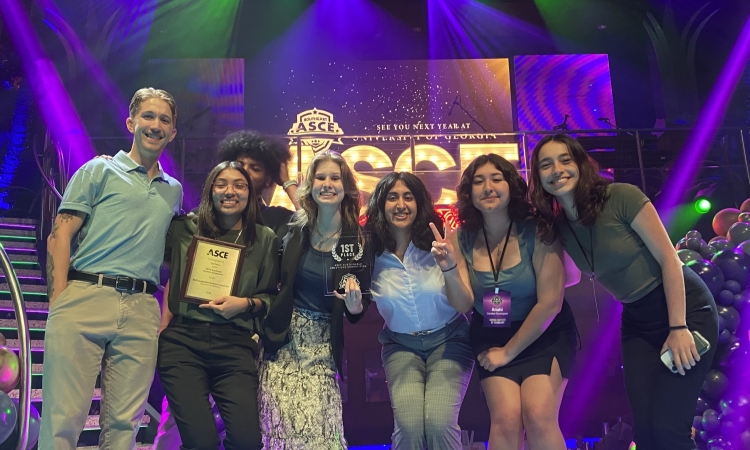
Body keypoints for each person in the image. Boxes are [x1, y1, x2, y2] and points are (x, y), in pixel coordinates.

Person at [528, 134, 719, 450]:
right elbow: (570, 277)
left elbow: (670, 261)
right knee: (644, 431)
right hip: (637, 322)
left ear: (580, 164)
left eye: (565, 160)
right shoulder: (559, 225)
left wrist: (678, 326)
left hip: (685, 310)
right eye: (546, 164)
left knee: (668, 428)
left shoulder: (621, 196)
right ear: (538, 176)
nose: (556, 170)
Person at [41, 87, 182, 450]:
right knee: (63, 420)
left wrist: (163, 312)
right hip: (85, 296)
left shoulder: (174, 191)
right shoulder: (98, 169)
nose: (155, 124)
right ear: (131, 122)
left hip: (140, 309)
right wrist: (59, 302)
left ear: (173, 132)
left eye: (164, 119)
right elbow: (60, 236)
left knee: (124, 426)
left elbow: (171, 257)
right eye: (148, 116)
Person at [153, 130, 298, 450]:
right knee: (188, 433)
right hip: (184, 339)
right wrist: (163, 328)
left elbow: (271, 291)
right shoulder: (185, 226)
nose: (235, 183)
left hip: (238, 342)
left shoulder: (269, 231)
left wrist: (245, 304)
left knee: (247, 438)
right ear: (211, 186)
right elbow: (172, 277)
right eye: (224, 181)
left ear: (266, 177)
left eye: (251, 171)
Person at [453, 154, 578, 450]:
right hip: (491, 334)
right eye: (479, 181)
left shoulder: (538, 229)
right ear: (469, 193)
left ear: (511, 185)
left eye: (496, 179)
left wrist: (508, 352)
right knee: (507, 419)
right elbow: (463, 304)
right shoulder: (461, 237)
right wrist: (447, 268)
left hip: (544, 332)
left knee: (538, 415)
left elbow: (550, 303)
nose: (488, 187)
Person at [259, 150, 369, 449]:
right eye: (320, 177)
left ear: (346, 186)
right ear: (311, 185)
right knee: (281, 432)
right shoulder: (295, 230)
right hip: (283, 341)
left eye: (335, 177)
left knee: (322, 432)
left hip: (323, 345)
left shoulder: (358, 240)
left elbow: (359, 308)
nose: (328, 183)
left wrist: (355, 306)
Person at [364, 172, 474, 449]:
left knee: (438, 424)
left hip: (450, 341)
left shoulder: (443, 242)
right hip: (401, 346)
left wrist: (448, 265)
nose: (401, 204)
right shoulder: (370, 251)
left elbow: (464, 305)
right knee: (410, 429)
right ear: (380, 204)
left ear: (420, 202)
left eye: (408, 196)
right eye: (392, 197)